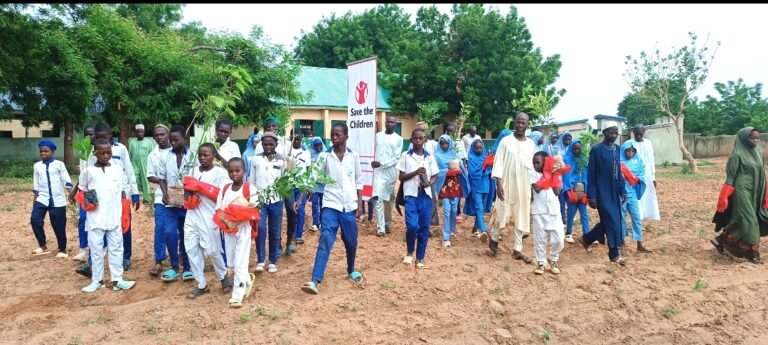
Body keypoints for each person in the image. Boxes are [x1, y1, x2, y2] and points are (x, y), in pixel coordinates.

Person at [301, 123, 364, 295]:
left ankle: (351, 269)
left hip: (349, 206)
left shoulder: (354, 156)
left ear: (346, 137)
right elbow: (313, 175)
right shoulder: (324, 157)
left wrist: (360, 204)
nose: (334, 138)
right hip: (330, 205)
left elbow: (359, 181)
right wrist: (304, 190)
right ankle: (315, 279)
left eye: (337, 135)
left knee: (351, 241)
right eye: (332, 135)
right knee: (326, 238)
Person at [72, 122, 140, 277]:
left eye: (105, 136)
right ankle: (91, 263)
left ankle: (125, 257)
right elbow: (87, 176)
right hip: (100, 194)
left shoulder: (121, 149)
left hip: (120, 193)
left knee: (123, 225)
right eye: (99, 137)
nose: (102, 139)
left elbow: (128, 171)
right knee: (96, 226)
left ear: (111, 135)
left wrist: (134, 193)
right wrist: (88, 200)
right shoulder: (91, 151)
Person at [79, 138, 136, 293]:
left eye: (108, 152)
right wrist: (89, 202)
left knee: (117, 248)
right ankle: (97, 280)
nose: (106, 156)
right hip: (96, 217)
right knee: (96, 250)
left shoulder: (117, 169)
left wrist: (124, 211)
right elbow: (82, 188)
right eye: (102, 153)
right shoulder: (88, 170)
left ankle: (118, 279)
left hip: (114, 215)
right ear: (95, 153)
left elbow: (123, 189)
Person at [711, 127, 768, 264]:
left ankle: (723, 240)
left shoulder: (758, 153)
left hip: (755, 192)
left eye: (757, 138)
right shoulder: (737, 155)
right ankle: (751, 253)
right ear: (743, 139)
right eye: (752, 138)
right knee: (749, 220)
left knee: (740, 220)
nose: (756, 140)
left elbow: (762, 173)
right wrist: (724, 196)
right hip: (741, 191)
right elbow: (731, 177)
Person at [183, 143, 233, 299]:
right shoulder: (192, 170)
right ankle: (201, 284)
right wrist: (188, 195)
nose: (202, 158)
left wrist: (201, 187)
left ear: (214, 156)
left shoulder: (220, 173)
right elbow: (186, 188)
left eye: (206, 155)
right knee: (191, 248)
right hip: (192, 214)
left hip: (209, 214)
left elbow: (222, 195)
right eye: (200, 155)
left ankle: (223, 276)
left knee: (211, 249)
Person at [487, 113, 537, 264]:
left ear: (527, 125)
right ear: (514, 123)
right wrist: (498, 184)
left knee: (521, 214)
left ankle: (517, 250)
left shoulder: (531, 144)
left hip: (524, 186)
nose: (520, 126)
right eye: (518, 122)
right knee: (502, 211)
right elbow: (498, 164)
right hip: (506, 185)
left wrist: (533, 188)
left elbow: (534, 169)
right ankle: (494, 239)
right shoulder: (505, 142)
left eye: (523, 123)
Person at [581, 126, 627, 265]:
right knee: (612, 220)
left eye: (616, 133)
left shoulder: (617, 149)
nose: (614, 135)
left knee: (613, 220)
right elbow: (591, 174)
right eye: (611, 133)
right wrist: (591, 196)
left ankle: (587, 238)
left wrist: (622, 189)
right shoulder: (596, 150)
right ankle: (614, 254)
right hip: (601, 191)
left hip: (614, 189)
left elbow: (619, 171)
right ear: (604, 133)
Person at [215, 158, 257, 308]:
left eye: (237, 171)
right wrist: (226, 219)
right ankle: (246, 279)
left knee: (240, 261)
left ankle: (237, 295)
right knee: (231, 262)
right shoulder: (225, 189)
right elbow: (219, 209)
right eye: (231, 171)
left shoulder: (249, 189)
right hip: (229, 230)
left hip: (243, 230)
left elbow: (255, 209)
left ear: (244, 171)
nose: (234, 174)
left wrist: (241, 214)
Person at [157, 125, 196, 282]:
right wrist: (165, 193)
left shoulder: (193, 157)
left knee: (187, 234)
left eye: (176, 139)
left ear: (184, 139)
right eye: (171, 139)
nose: (172, 142)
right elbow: (161, 177)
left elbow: (197, 178)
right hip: (171, 203)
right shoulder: (165, 156)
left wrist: (190, 193)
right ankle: (174, 266)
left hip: (188, 203)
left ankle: (187, 267)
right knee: (170, 233)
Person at [397, 128, 438, 268]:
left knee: (424, 228)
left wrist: (428, 183)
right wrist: (415, 172)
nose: (418, 141)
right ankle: (409, 252)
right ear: (411, 140)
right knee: (412, 226)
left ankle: (420, 257)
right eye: (415, 138)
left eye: (421, 138)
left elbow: (435, 175)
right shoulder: (405, 156)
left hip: (425, 196)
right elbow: (401, 177)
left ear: (425, 140)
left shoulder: (429, 157)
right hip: (410, 196)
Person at [249, 132, 285, 274]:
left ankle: (272, 261)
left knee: (275, 231)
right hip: (260, 201)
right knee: (261, 229)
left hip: (276, 200)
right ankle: (260, 260)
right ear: (261, 145)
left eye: (271, 144)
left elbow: (285, 181)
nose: (268, 146)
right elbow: (251, 181)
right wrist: (253, 199)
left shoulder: (282, 161)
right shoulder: (255, 160)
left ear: (276, 145)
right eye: (265, 144)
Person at [30, 139, 73, 258]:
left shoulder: (59, 164)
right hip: (42, 198)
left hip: (58, 200)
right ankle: (42, 245)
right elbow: (36, 184)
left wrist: (72, 195)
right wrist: (35, 199)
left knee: (58, 225)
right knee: (35, 219)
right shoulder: (37, 166)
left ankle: (62, 248)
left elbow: (66, 180)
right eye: (41, 151)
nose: (43, 153)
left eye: (46, 151)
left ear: (52, 152)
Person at [529, 152, 565, 275]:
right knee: (540, 239)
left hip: (554, 211)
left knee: (559, 239)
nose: (535, 165)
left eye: (538, 162)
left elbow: (557, 191)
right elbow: (537, 188)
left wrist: (552, 173)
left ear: (546, 162)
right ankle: (541, 263)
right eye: (534, 162)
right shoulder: (533, 174)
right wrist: (547, 176)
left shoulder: (556, 173)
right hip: (539, 211)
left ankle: (554, 258)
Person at [146, 125, 174, 277]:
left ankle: (181, 257)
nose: (159, 137)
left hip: (178, 194)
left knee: (181, 227)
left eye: (162, 134)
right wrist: (164, 180)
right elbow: (150, 175)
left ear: (168, 134)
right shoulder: (153, 155)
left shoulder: (177, 151)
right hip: (161, 196)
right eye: (156, 135)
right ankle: (159, 259)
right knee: (160, 227)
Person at [372, 115, 403, 236]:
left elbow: (396, 158)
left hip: (390, 172)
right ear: (385, 123)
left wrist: (383, 163)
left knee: (388, 200)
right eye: (388, 122)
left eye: (392, 122)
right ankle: (380, 228)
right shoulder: (378, 136)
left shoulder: (399, 139)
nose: (390, 124)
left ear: (395, 124)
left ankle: (387, 223)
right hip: (378, 172)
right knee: (378, 198)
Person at [435, 134, 468, 247]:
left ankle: (452, 229)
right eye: (442, 143)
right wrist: (447, 172)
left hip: (455, 186)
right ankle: (446, 237)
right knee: (447, 211)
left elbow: (461, 168)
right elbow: (436, 171)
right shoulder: (437, 156)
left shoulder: (454, 154)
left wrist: (459, 171)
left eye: (446, 143)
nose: (444, 146)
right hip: (444, 187)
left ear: (450, 144)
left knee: (454, 210)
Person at [619, 141, 650, 253]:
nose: (630, 153)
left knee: (636, 218)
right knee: (621, 217)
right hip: (621, 194)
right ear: (623, 151)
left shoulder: (638, 160)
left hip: (631, 193)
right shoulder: (619, 161)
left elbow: (642, 172)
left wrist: (635, 177)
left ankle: (639, 243)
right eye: (628, 151)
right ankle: (621, 241)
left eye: (632, 151)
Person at [626, 124, 660, 221]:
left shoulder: (648, 143)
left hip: (647, 174)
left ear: (644, 132)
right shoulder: (628, 143)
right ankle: (638, 219)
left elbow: (651, 160)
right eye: (636, 133)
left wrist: (653, 177)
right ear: (633, 132)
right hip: (634, 175)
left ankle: (648, 216)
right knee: (636, 197)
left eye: (640, 133)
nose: (638, 135)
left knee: (648, 194)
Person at [73, 124, 96, 262]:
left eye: (92, 134)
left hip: (97, 192)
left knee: (96, 221)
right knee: (82, 219)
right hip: (85, 192)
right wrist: (74, 192)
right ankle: (83, 249)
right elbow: (83, 175)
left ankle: (102, 248)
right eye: (86, 134)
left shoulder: (101, 150)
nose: (89, 137)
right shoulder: (83, 153)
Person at [464, 139, 495, 241]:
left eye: (481, 147)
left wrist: (487, 165)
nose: (479, 149)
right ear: (473, 148)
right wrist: (484, 166)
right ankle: (484, 230)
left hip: (486, 187)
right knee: (479, 208)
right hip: (476, 187)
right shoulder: (471, 157)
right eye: (477, 148)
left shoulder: (486, 157)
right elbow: (472, 172)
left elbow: (490, 170)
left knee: (482, 209)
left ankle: (476, 228)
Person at [287, 130, 312, 246]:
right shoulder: (287, 153)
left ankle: (298, 236)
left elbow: (308, 171)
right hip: (289, 186)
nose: (296, 141)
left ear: (302, 139)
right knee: (291, 211)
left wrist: (308, 187)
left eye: (298, 138)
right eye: (294, 138)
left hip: (301, 186)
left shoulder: (306, 154)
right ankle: (290, 234)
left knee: (301, 210)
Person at [562, 138, 589, 243]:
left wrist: (586, 189)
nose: (577, 151)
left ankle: (587, 234)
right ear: (571, 149)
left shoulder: (584, 160)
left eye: (579, 149)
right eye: (575, 149)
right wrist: (569, 190)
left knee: (584, 213)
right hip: (571, 190)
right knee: (571, 213)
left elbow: (587, 175)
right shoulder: (567, 160)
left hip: (582, 190)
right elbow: (566, 177)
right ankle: (568, 233)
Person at [128, 123, 156, 203]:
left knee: (145, 180)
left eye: (141, 132)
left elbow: (152, 155)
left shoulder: (149, 142)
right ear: (135, 133)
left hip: (145, 165)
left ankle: (147, 198)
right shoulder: (131, 142)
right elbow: (130, 155)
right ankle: (137, 194)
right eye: (138, 132)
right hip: (134, 164)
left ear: (144, 132)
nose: (140, 134)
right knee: (135, 179)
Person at [309, 137, 326, 232]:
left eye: (320, 145)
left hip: (324, 185)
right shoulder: (310, 155)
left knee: (323, 205)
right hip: (314, 185)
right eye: (316, 146)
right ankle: (315, 223)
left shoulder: (326, 154)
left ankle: (323, 222)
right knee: (315, 204)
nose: (318, 147)